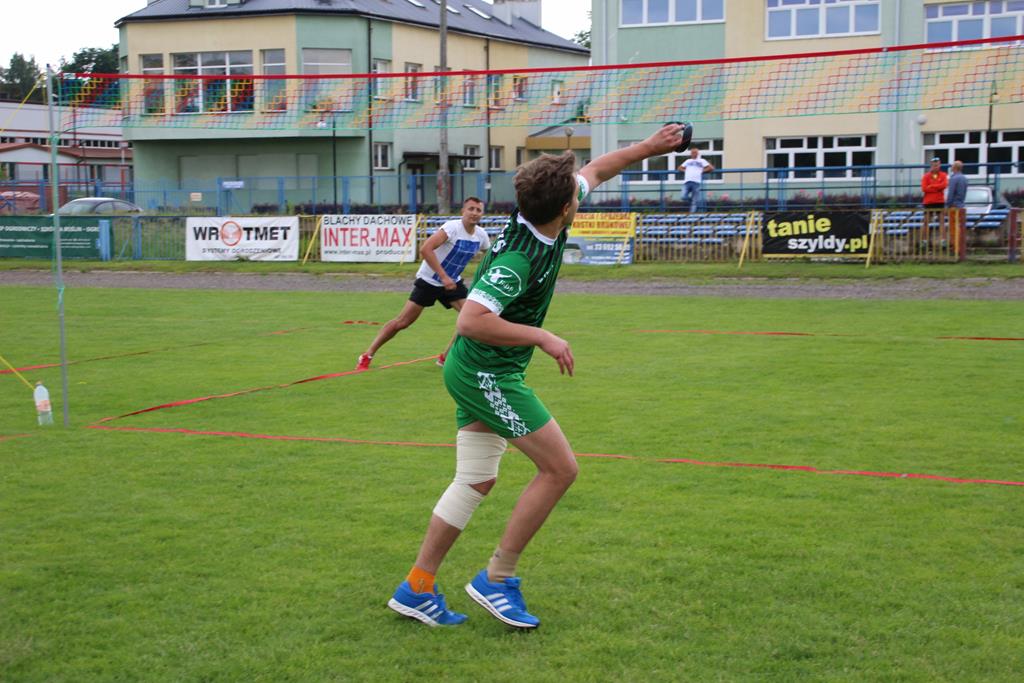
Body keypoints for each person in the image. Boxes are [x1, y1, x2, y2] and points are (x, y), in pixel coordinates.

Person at [386, 124, 686, 629]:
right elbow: (470, 319)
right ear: (566, 209)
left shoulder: (543, 216)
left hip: (479, 368)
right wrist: (542, 337)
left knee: (476, 479)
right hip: (485, 373)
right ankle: (497, 578)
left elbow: (599, 169)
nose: (582, 191)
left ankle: (417, 586)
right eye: (576, 195)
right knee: (560, 469)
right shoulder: (519, 258)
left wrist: (651, 148)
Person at [356, 197, 489, 371]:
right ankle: (367, 355)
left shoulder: (481, 235)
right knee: (403, 322)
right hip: (430, 280)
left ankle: (445, 358)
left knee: (471, 319)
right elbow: (425, 249)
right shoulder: (452, 228)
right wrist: (443, 276)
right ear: (463, 211)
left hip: (453, 283)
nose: (474, 213)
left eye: (478, 210)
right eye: (471, 209)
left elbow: (490, 257)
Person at [676, 145, 714, 212]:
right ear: (690, 154)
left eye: (695, 152)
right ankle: (691, 202)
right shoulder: (688, 161)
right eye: (692, 152)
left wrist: (702, 171)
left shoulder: (701, 161)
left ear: (698, 153)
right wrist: (686, 171)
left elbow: (711, 168)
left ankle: (692, 214)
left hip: (696, 182)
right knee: (683, 196)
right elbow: (679, 168)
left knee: (695, 201)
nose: (694, 154)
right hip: (687, 181)